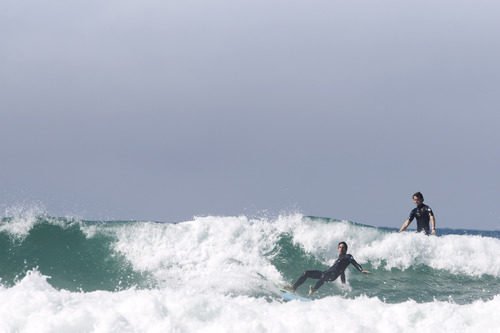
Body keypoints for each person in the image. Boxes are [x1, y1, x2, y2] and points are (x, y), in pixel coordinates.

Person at [284, 242, 370, 296]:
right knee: (306, 273)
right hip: (327, 273)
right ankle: (294, 288)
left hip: (331, 276)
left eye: (343, 247)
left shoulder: (348, 256)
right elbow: (342, 272)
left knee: (324, 276)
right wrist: (343, 283)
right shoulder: (338, 259)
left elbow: (354, 262)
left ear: (346, 249)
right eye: (340, 247)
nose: (341, 248)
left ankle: (314, 289)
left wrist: (361, 270)